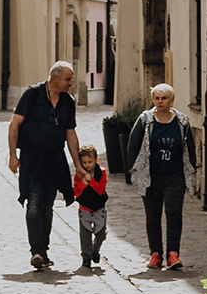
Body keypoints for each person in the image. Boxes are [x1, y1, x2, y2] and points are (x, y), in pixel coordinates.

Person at [7, 60, 84, 270]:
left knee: (47, 206)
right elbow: (15, 124)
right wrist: (13, 155)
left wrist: (77, 164)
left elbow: (70, 133)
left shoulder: (68, 101)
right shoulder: (32, 95)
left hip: (55, 159)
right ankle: (36, 250)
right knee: (34, 202)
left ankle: (43, 250)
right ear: (55, 78)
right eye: (68, 79)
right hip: (31, 158)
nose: (71, 83)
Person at [125, 82, 198, 269]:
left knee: (174, 213)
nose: (159, 101)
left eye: (164, 98)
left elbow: (189, 147)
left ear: (171, 100)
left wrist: (191, 170)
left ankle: (173, 254)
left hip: (175, 174)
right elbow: (133, 145)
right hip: (151, 175)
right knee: (152, 215)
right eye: (156, 98)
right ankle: (156, 254)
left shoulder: (182, 121)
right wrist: (133, 170)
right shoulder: (146, 120)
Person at [74, 144, 108, 270]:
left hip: (99, 208)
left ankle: (96, 249)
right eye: (84, 162)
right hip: (85, 209)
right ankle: (86, 258)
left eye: (90, 162)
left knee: (101, 234)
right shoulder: (78, 174)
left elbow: (101, 190)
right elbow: (76, 192)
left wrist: (91, 181)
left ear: (96, 160)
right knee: (85, 235)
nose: (87, 165)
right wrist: (82, 183)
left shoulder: (102, 172)